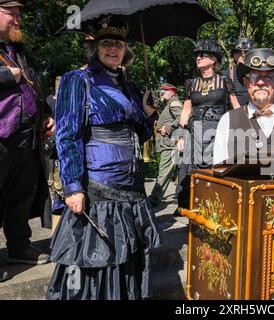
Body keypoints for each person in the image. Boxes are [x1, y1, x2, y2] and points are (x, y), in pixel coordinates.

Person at [46, 16, 160, 300]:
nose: (113, 49)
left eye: (119, 44)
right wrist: (73, 186)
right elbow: (67, 135)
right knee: (97, 258)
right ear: (95, 47)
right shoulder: (78, 80)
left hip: (132, 186)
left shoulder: (128, 86)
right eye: (107, 43)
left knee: (127, 258)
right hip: (99, 186)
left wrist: (147, 114)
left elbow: (140, 135)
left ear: (126, 50)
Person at [0, 0, 54, 268]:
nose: (18, 18)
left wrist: (46, 116)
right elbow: (13, 79)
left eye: (19, 13)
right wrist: (7, 76)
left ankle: (19, 246)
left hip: (26, 136)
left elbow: (35, 85)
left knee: (20, 195)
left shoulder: (19, 50)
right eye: (12, 13)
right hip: (1, 134)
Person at [176, 39, 240, 211]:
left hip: (219, 132)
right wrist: (181, 135)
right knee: (196, 174)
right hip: (197, 132)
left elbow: (236, 108)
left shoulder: (225, 81)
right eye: (197, 55)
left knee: (217, 171)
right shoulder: (191, 83)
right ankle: (199, 211)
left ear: (214, 60)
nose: (198, 58)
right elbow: (186, 110)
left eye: (202, 55)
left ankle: (219, 210)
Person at [149, 83, 182, 206]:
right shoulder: (169, 105)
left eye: (164, 91)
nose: (161, 93)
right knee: (171, 172)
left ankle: (154, 199)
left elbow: (182, 118)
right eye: (160, 91)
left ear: (172, 92)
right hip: (167, 144)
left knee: (164, 171)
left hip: (169, 144)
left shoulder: (174, 104)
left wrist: (167, 128)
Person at [222, 37, 255, 107]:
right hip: (233, 114)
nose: (243, 55)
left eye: (246, 52)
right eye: (239, 52)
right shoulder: (226, 74)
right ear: (234, 55)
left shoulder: (259, 74)